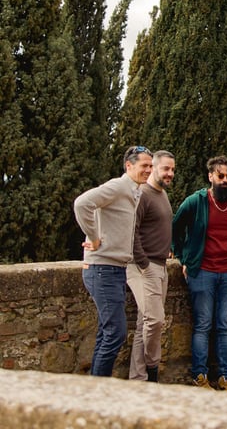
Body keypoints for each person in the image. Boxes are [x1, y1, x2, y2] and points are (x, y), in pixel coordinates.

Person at [73, 145, 153, 376]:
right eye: (144, 166)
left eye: (150, 166)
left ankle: (95, 388)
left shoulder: (135, 190)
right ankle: (99, 390)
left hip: (115, 269)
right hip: (102, 269)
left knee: (107, 332)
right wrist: (95, 237)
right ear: (129, 166)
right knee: (115, 333)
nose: (148, 170)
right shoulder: (119, 186)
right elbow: (82, 204)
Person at [172, 155, 227, 390]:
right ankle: (200, 377)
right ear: (210, 176)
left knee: (225, 326)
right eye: (220, 175)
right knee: (203, 325)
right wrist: (183, 257)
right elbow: (175, 228)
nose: (225, 180)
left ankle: (226, 378)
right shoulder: (196, 202)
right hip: (202, 271)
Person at [126, 150, 176, 382]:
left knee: (144, 323)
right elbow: (131, 230)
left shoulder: (162, 194)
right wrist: (144, 263)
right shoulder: (143, 194)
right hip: (144, 267)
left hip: (161, 265)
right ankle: (152, 370)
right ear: (153, 168)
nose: (170, 173)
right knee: (155, 321)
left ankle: (138, 379)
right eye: (165, 168)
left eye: (172, 169)